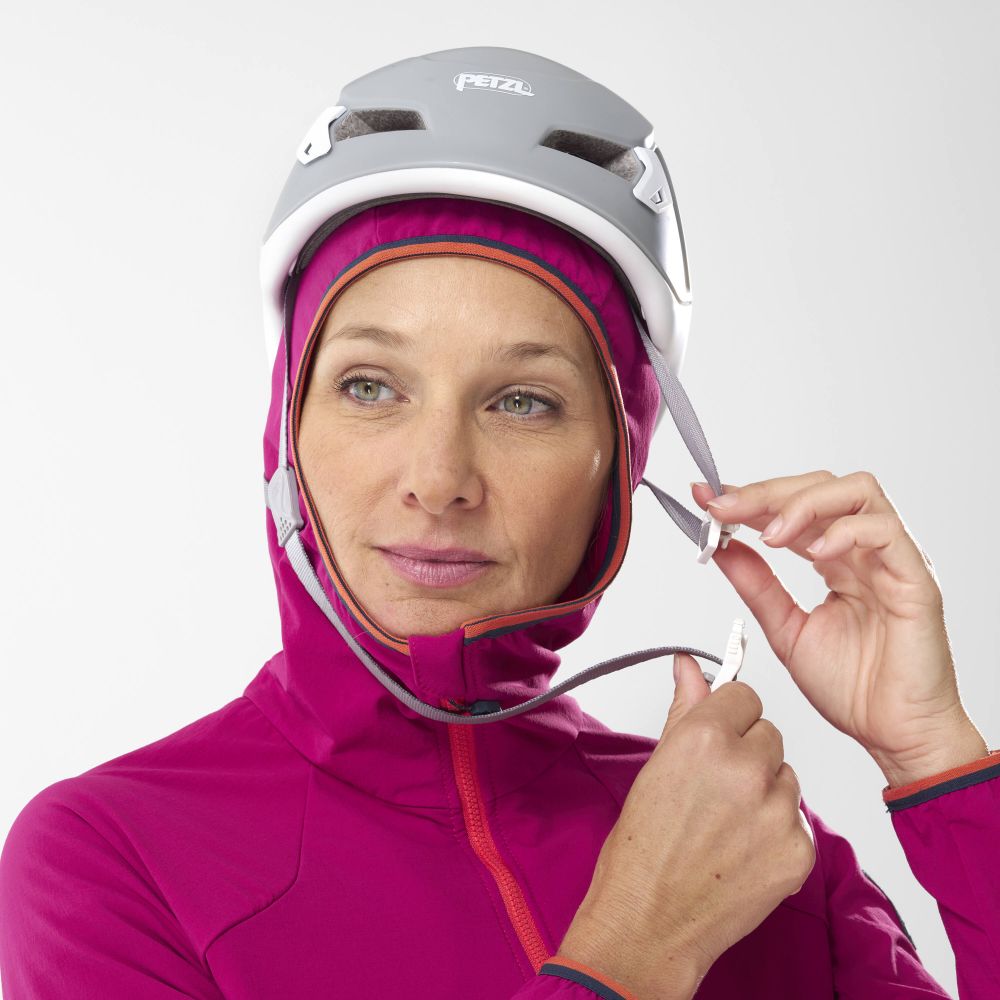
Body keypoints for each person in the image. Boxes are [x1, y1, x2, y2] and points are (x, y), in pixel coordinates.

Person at [1, 45, 997, 1000]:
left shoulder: (750, 847)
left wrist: (933, 756)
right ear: (287, 432)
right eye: (370, 385)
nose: (439, 480)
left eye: (523, 401)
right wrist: (635, 950)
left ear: (621, 468)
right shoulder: (109, 856)